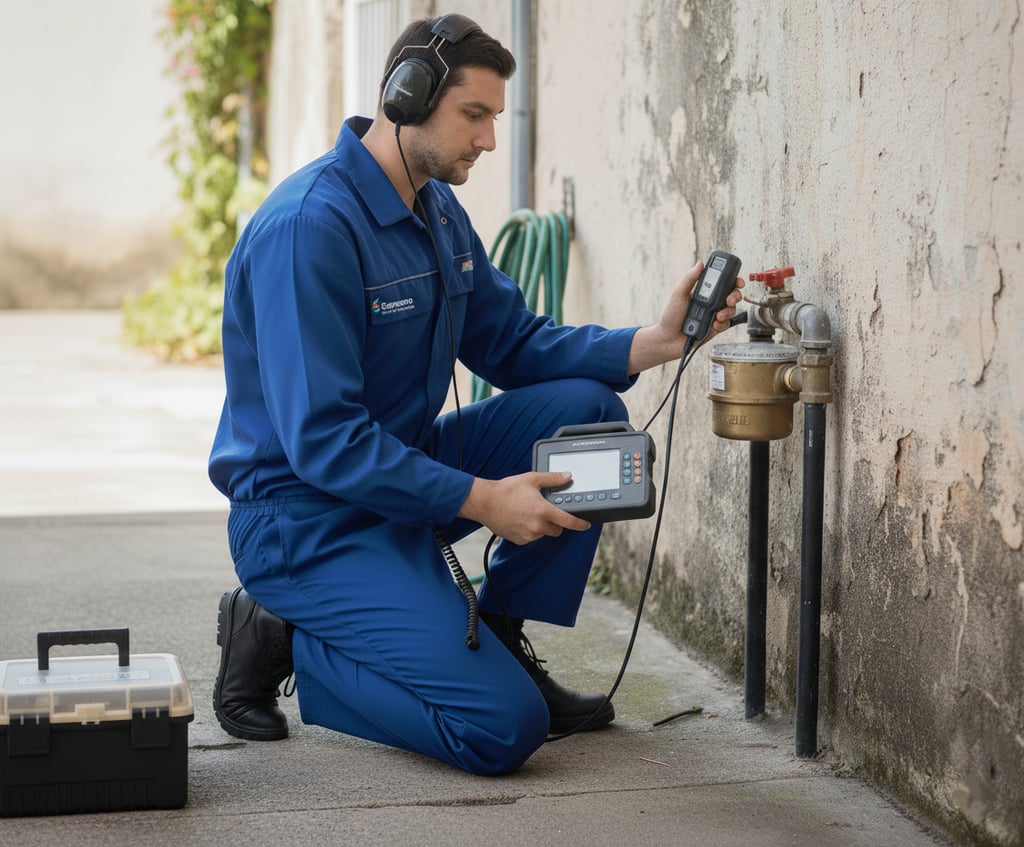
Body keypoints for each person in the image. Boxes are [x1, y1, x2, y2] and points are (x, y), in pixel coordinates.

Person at [209, 13, 743, 777]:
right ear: (408, 96)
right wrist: (486, 500)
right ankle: (287, 630)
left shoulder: (436, 207)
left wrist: (653, 342)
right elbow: (324, 441)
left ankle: (496, 628)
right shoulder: (309, 229)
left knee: (588, 412)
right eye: (475, 114)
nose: (490, 139)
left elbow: (512, 342)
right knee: (500, 728)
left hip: (398, 472)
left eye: (496, 116)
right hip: (304, 517)